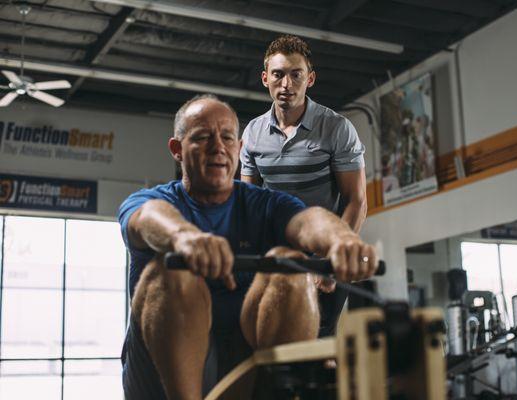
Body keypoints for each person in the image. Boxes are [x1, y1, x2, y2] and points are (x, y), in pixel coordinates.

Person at [118, 94, 379, 399]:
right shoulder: (154, 201)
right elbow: (147, 218)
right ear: (177, 150)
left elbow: (309, 221)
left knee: (289, 263)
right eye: (202, 137)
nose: (218, 147)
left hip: (242, 364)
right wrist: (183, 237)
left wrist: (341, 239)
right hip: (161, 371)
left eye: (227, 137)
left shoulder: (263, 205)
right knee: (174, 273)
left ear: (239, 149)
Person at [240, 35, 368, 336]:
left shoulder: (336, 128)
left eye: (296, 74)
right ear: (265, 78)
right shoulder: (253, 133)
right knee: (269, 343)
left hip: (325, 250)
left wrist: (332, 260)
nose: (286, 84)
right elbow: (249, 203)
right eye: (278, 74)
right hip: (277, 253)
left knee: (318, 346)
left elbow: (356, 201)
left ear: (309, 79)